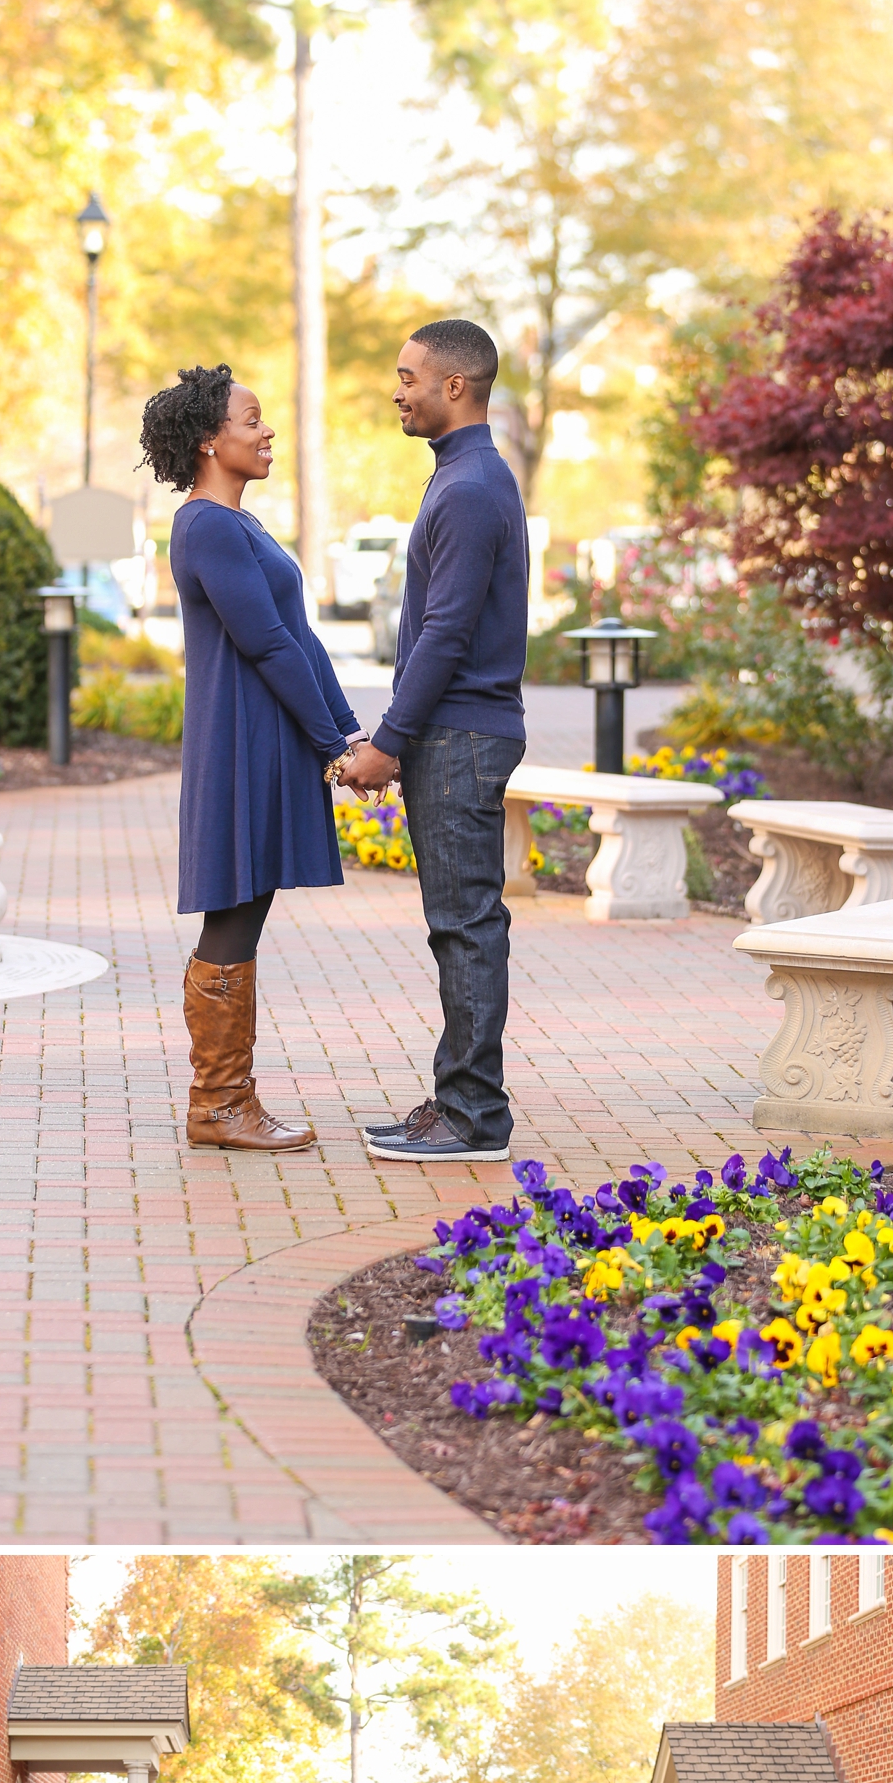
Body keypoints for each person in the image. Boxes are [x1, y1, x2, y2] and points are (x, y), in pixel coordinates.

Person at [138, 364, 365, 1152]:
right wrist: (333, 745)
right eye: (252, 420)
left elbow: (298, 638)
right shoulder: (205, 525)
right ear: (209, 439)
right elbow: (264, 643)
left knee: (248, 908)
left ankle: (224, 1100)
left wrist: (350, 733)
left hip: (265, 738)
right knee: (233, 912)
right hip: (238, 742)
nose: (267, 432)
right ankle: (218, 1103)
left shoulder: (245, 527)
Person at [341, 320, 529, 1165]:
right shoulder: (465, 479)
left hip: (461, 735)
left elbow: (445, 635)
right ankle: (459, 1099)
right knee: (460, 926)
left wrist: (389, 741)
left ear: (456, 386)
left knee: (465, 928)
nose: (397, 389)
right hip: (456, 732)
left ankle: (473, 1117)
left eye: (408, 375)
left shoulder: (470, 487)